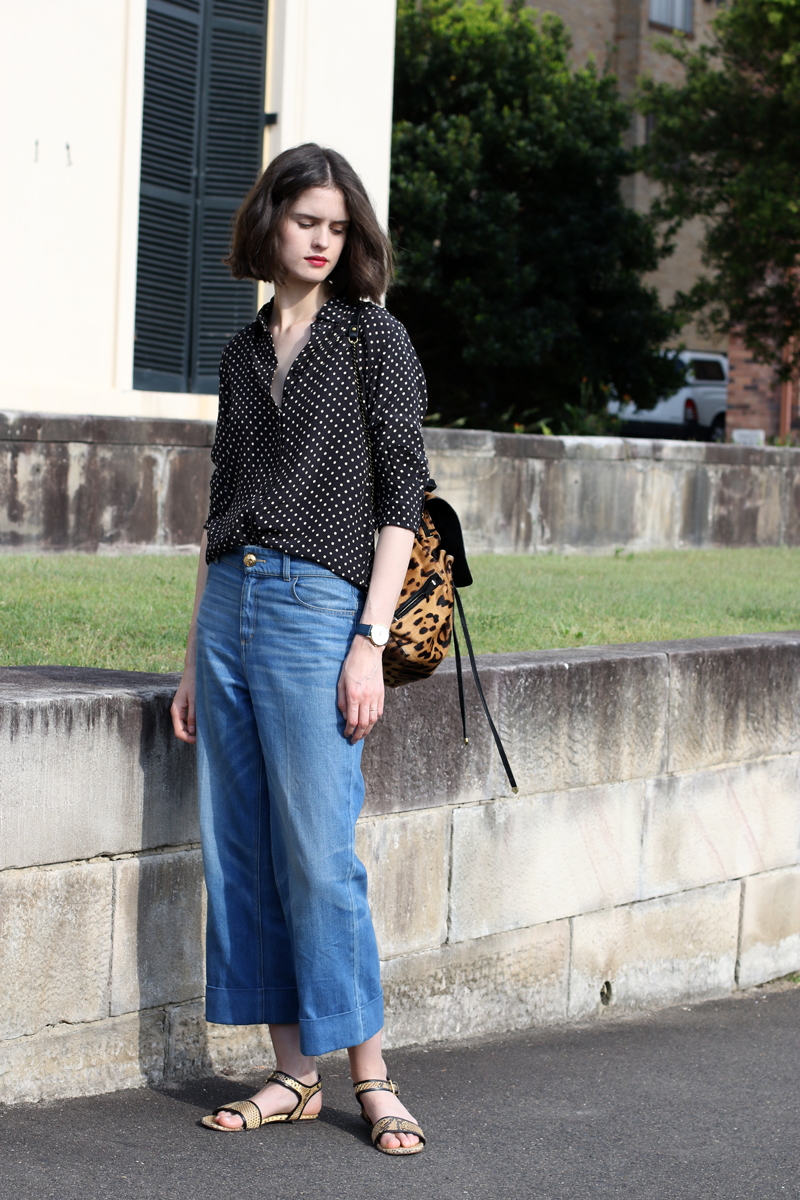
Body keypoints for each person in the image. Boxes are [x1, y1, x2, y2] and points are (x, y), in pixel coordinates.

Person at [170, 143, 427, 1155]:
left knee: (319, 857)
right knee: (242, 853)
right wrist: (191, 653)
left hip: (319, 609)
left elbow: (400, 495)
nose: (322, 240)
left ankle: (372, 1076)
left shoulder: (374, 340)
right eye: (304, 221)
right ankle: (291, 1074)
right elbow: (218, 508)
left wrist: (366, 641)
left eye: (336, 225)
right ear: (269, 224)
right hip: (230, 603)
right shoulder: (240, 354)